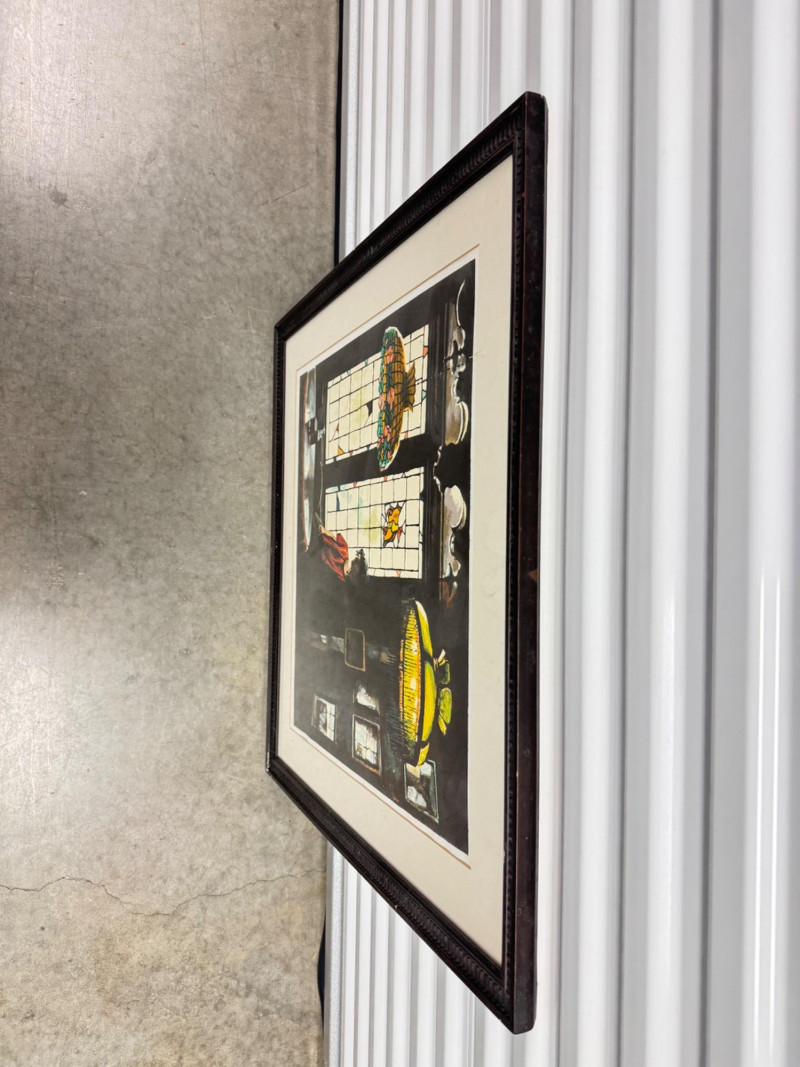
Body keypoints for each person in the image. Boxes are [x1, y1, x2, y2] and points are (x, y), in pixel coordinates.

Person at [312, 514, 367, 582]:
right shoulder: (344, 550)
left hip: (312, 557)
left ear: (357, 574)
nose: (356, 558)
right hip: (317, 534)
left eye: (358, 564)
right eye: (357, 560)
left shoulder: (341, 580)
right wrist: (323, 530)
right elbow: (332, 536)